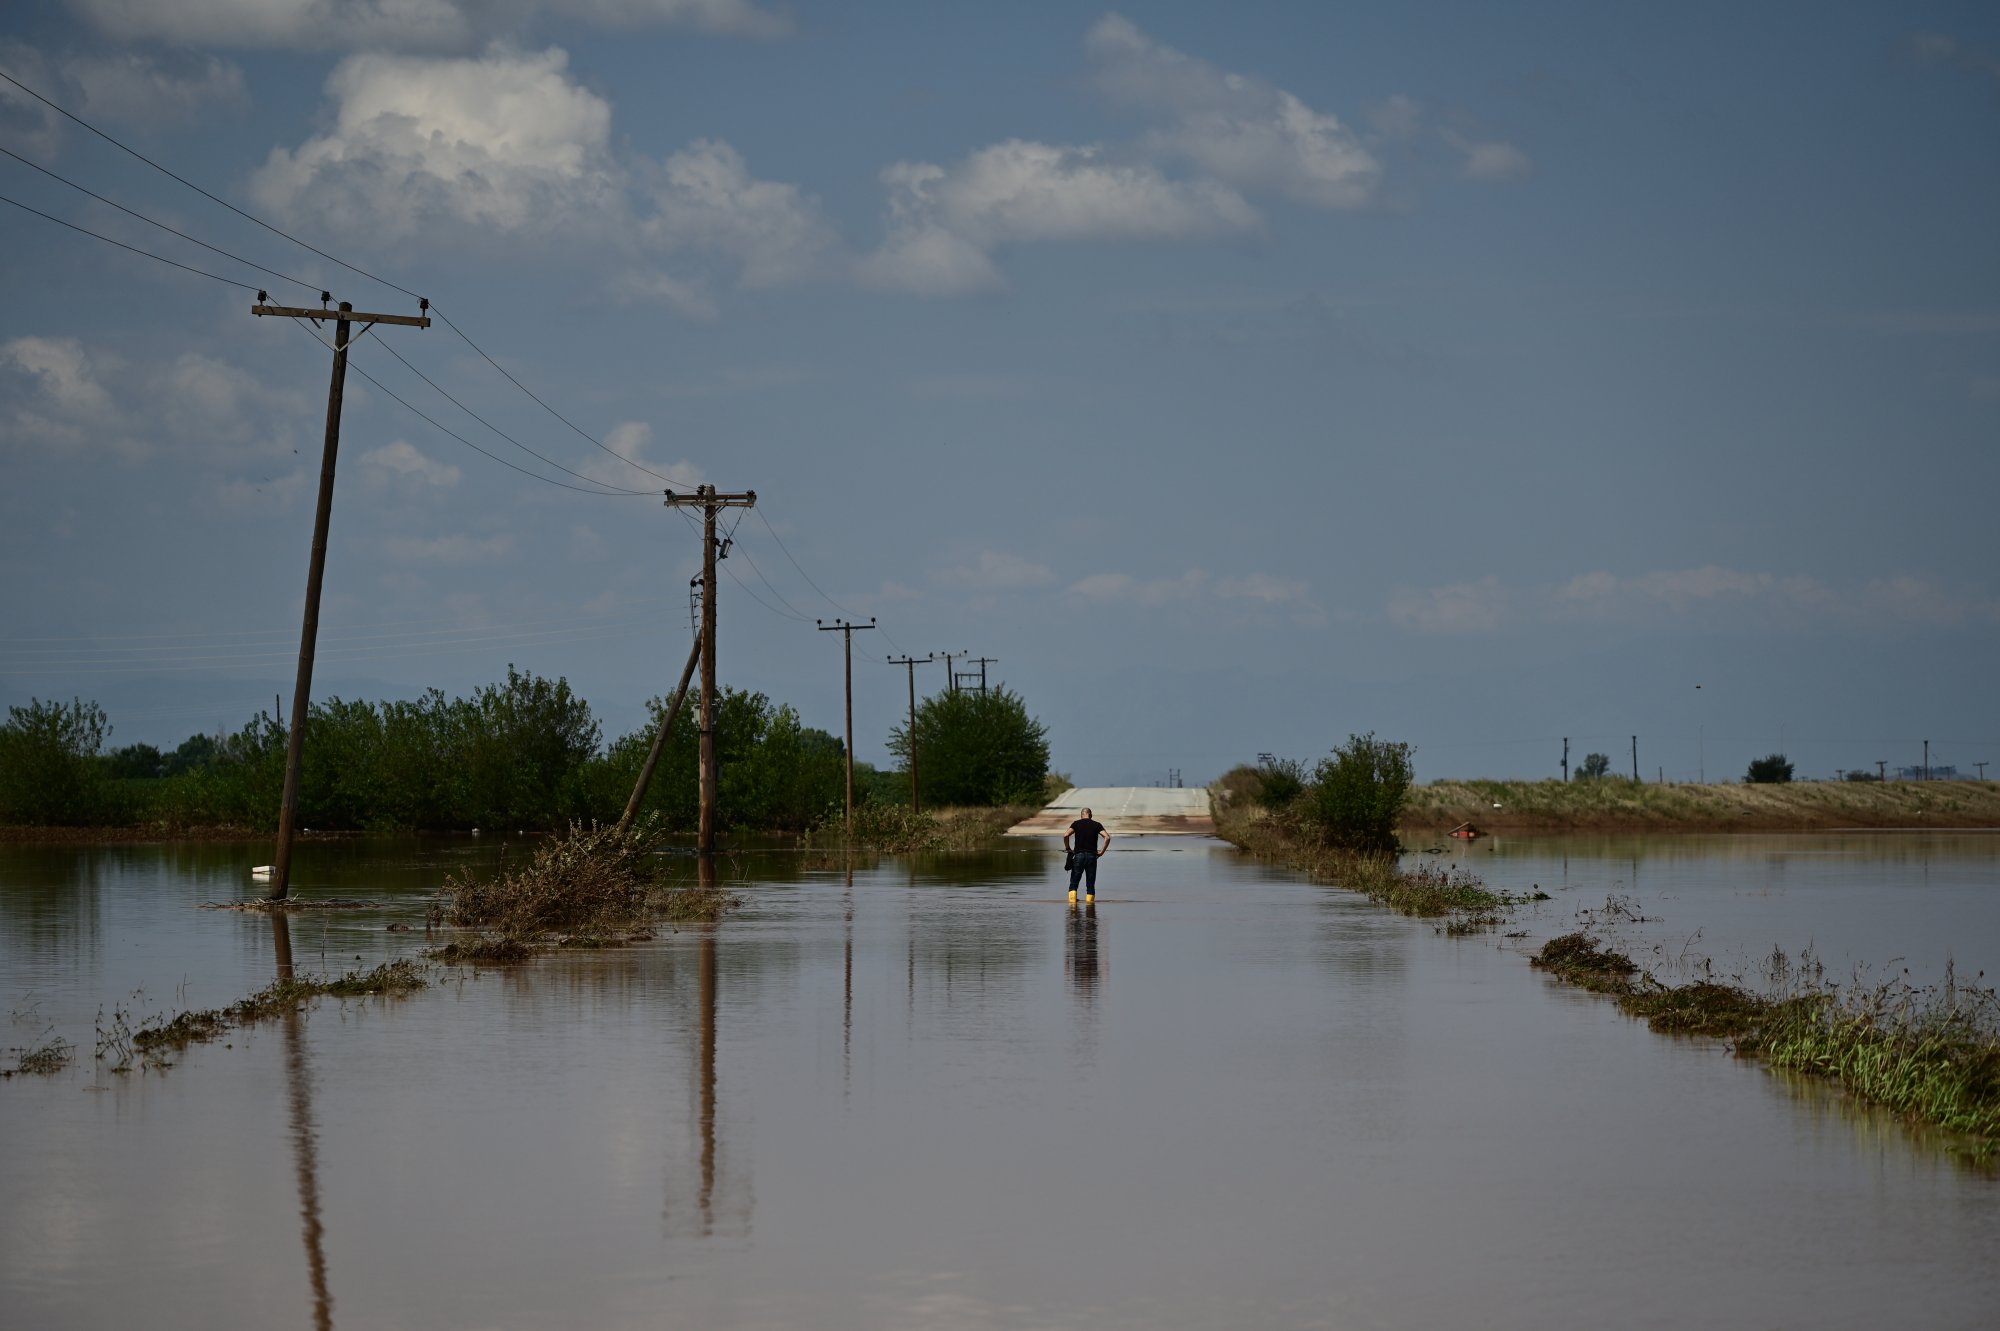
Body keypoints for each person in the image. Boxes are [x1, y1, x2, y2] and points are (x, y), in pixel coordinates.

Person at [1063, 807, 1110, 904]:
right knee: (1090, 884)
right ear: (1091, 815)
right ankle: (1090, 908)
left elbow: (1066, 835)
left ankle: (1072, 907)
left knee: (1074, 883)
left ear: (1081, 815)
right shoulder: (1096, 825)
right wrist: (1101, 852)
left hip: (1078, 856)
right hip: (1092, 857)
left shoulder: (1076, 823)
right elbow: (1107, 837)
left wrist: (1068, 848)